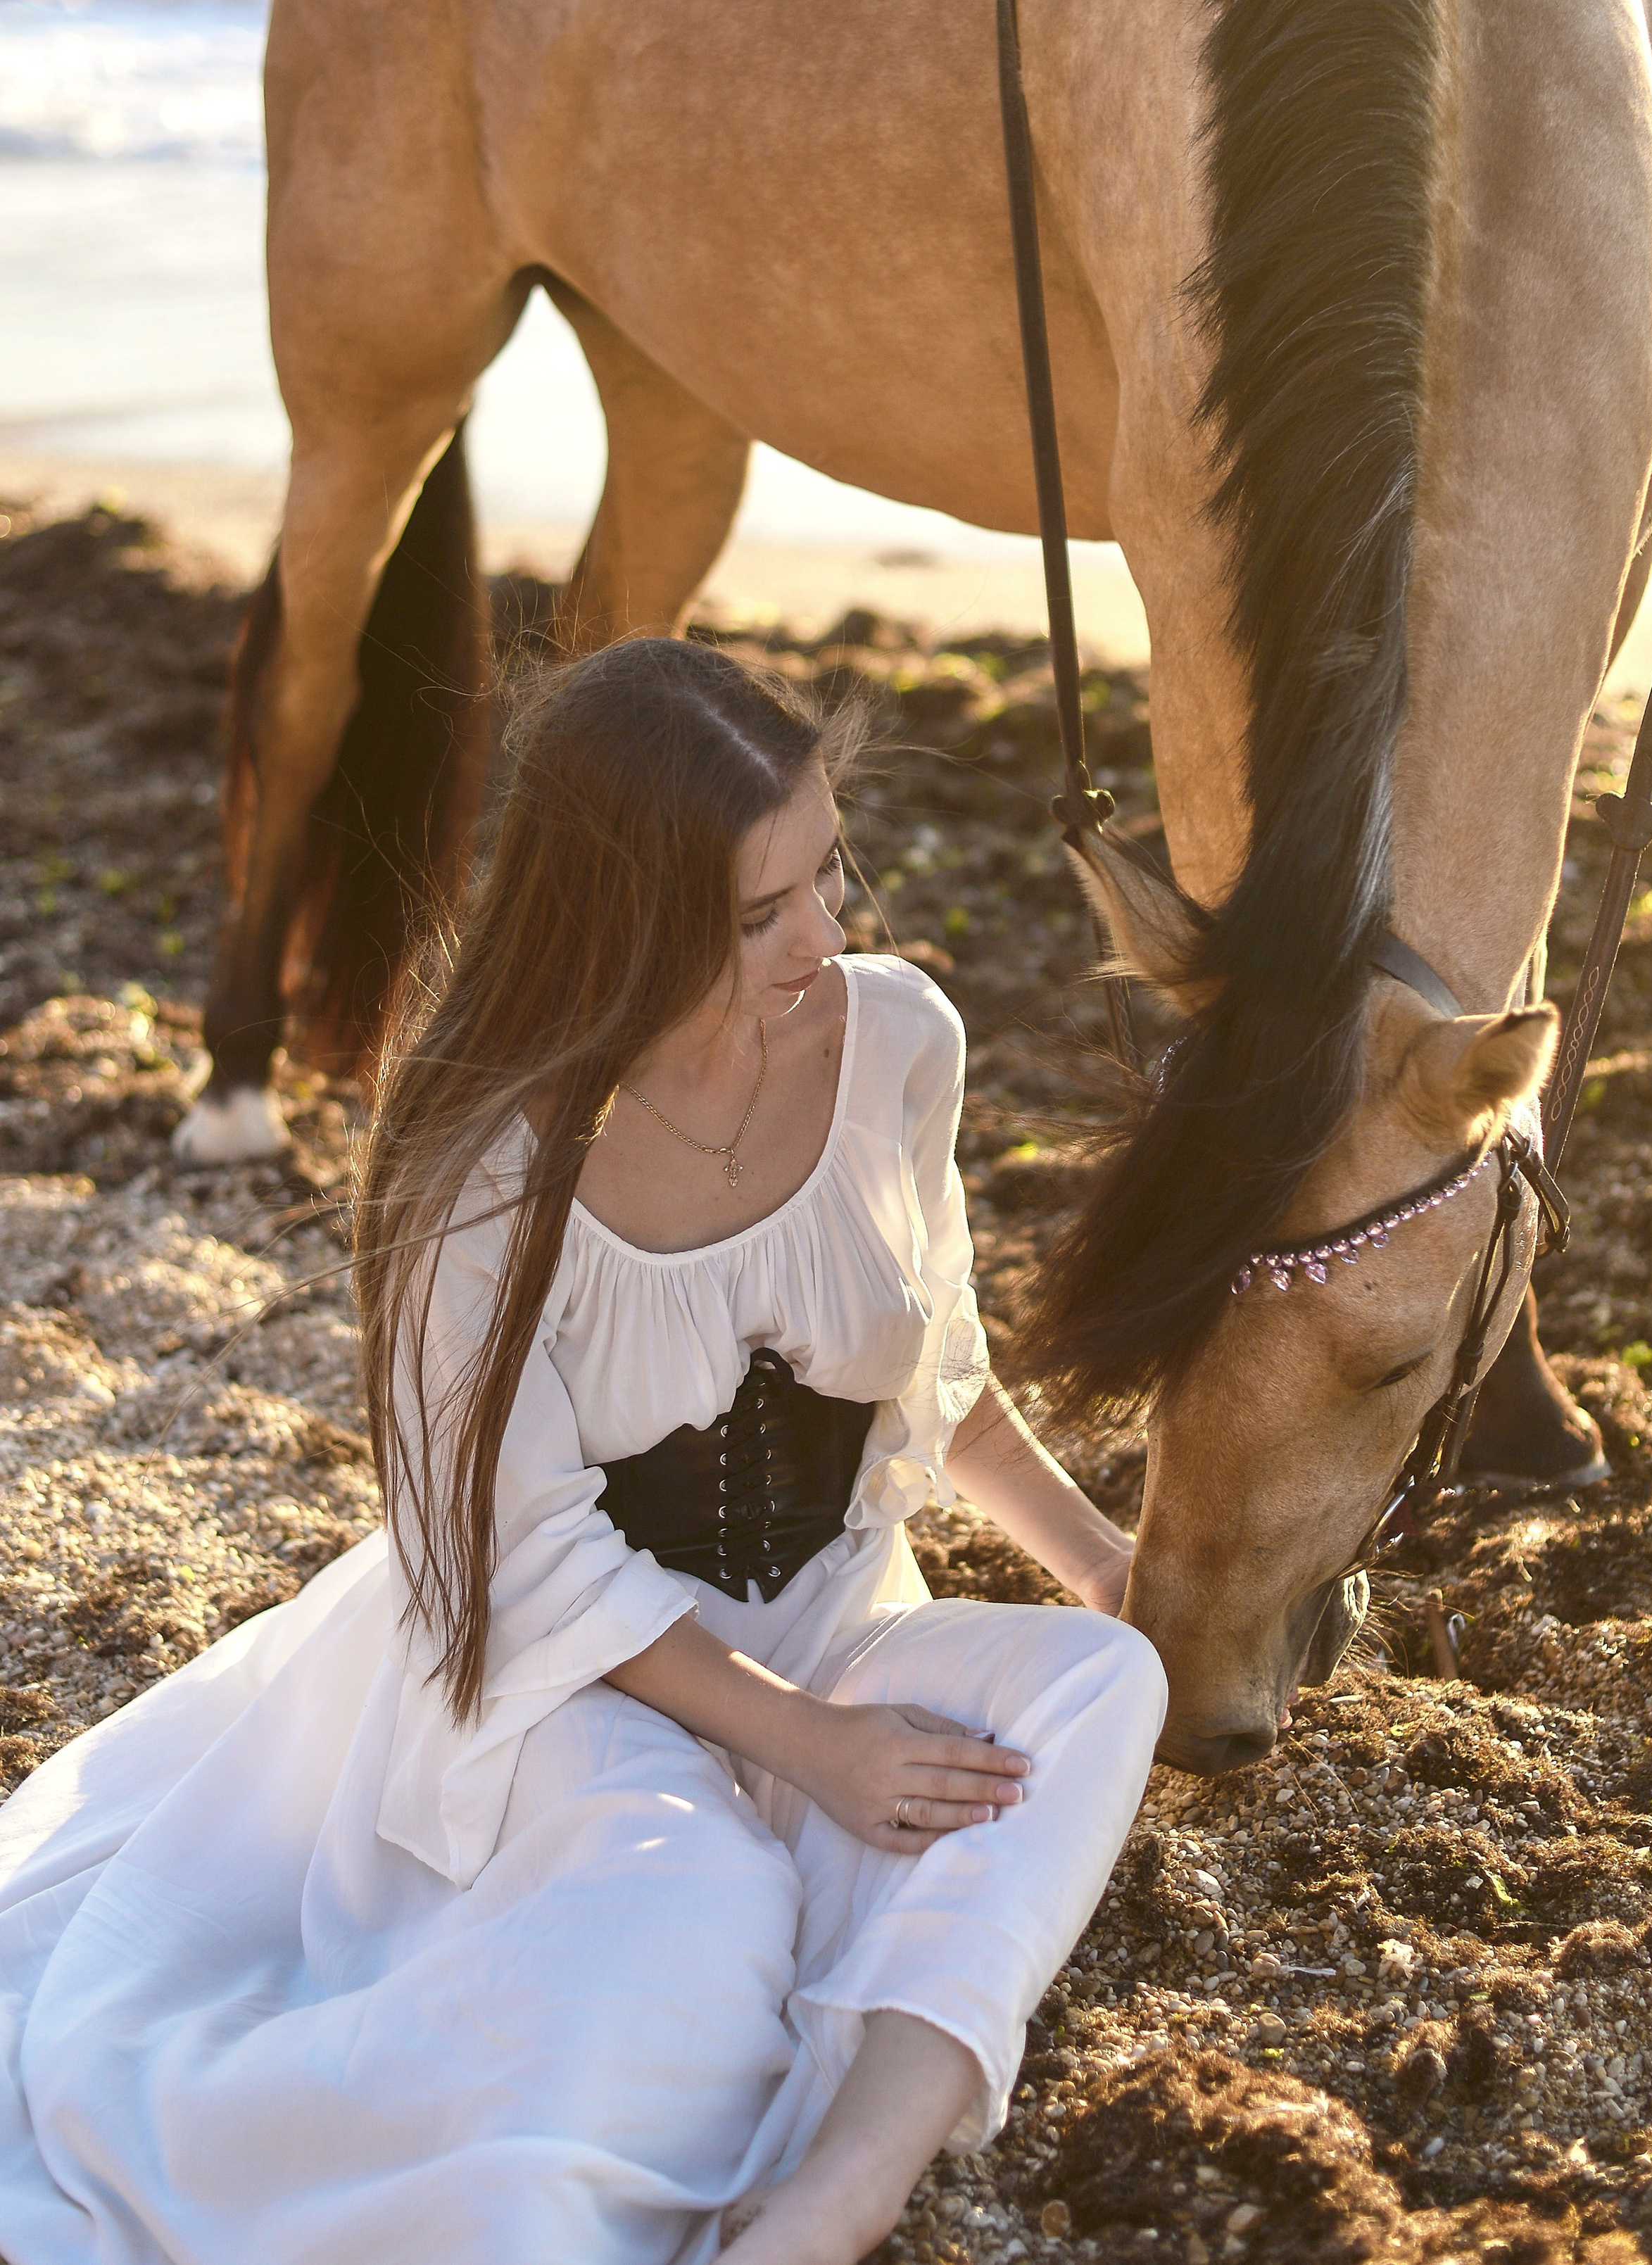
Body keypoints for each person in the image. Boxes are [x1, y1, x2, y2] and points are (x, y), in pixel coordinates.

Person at [0, 637, 1166, 2265]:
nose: (823, 938)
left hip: (833, 1619)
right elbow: (520, 1559)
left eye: (826, 872)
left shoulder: (899, 1039)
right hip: (574, 1679)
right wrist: (809, 1750)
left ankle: (839, 2192)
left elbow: (939, 1364)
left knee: (1102, 1692)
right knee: (702, 1915)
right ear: (625, 922)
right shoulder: (483, 1161)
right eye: (760, 915)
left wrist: (1102, 1567)